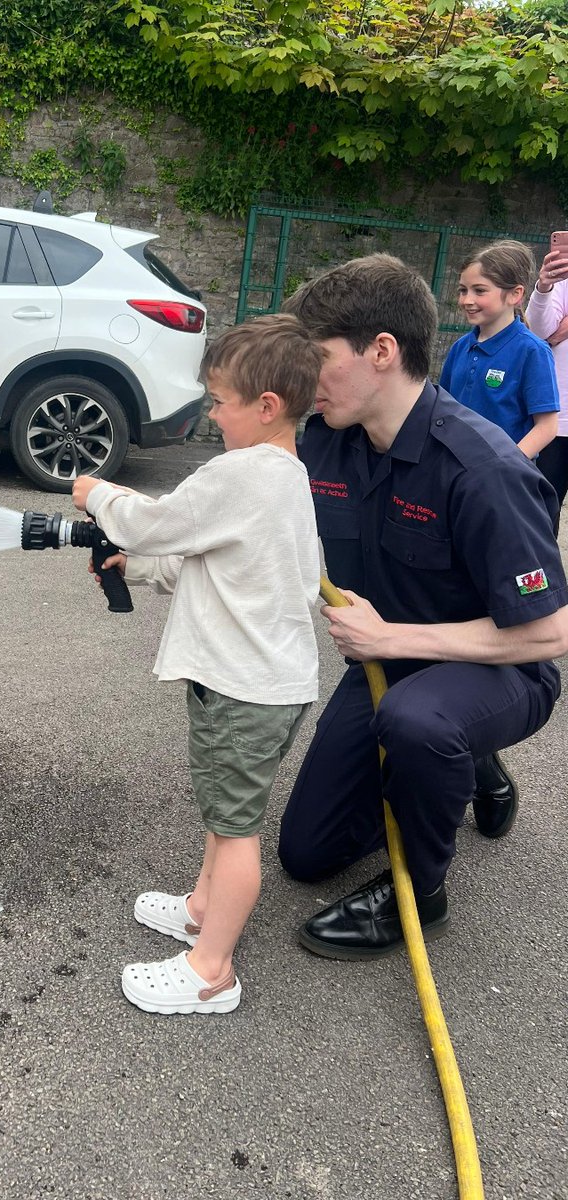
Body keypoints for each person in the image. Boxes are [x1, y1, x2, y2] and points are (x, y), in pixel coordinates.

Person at [278, 253, 568, 960]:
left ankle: (426, 890)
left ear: (382, 351)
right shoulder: (328, 439)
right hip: (391, 661)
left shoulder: (483, 470)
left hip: (501, 671)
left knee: (417, 722)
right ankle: (466, 765)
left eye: (315, 359)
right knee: (306, 853)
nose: (302, 381)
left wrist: (391, 637)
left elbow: (548, 633)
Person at [71, 314, 323, 1014]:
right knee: (224, 812)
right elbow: (223, 569)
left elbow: (155, 522)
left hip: (243, 691)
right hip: (259, 687)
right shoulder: (285, 480)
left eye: (219, 401)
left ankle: (211, 970)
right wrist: (142, 566)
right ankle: (201, 908)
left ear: (265, 406)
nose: (212, 414)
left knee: (237, 831)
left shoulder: (241, 472)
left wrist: (101, 496)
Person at [439, 239, 559, 460]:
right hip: (453, 472)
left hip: (501, 482)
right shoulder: (459, 348)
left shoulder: (533, 351)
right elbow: (442, 410)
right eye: (463, 290)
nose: (467, 300)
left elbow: (547, 427)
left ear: (515, 294)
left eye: (479, 290)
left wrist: (505, 466)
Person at [526, 246, 568, 534]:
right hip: (559, 419)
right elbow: (539, 333)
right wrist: (544, 287)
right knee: (541, 512)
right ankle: (545, 579)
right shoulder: (561, 283)